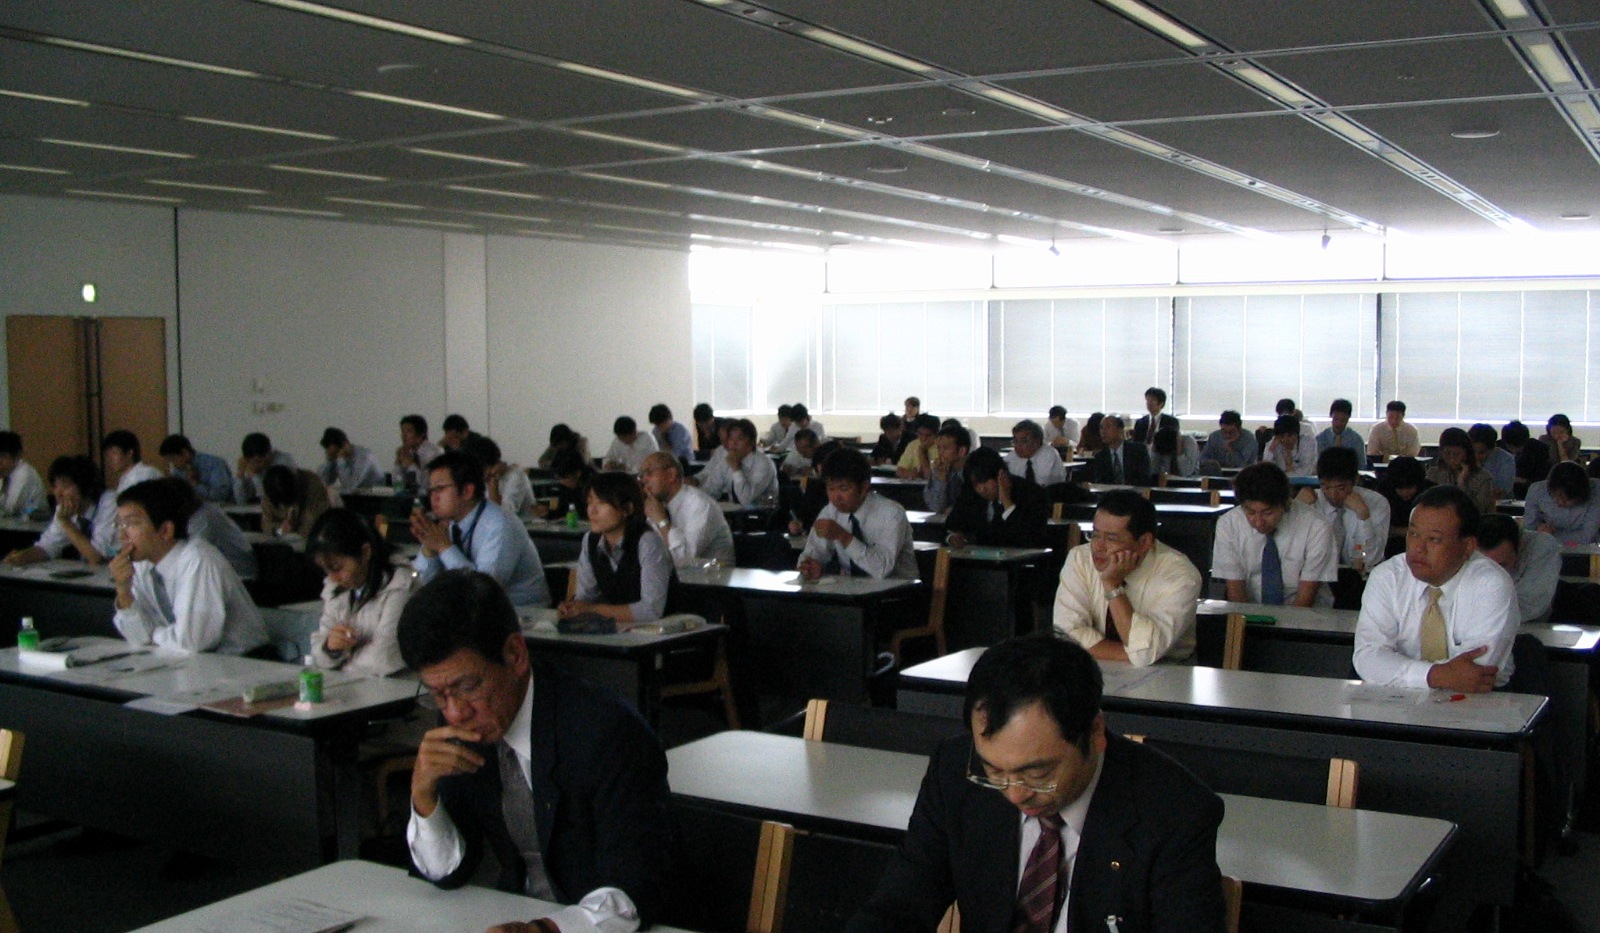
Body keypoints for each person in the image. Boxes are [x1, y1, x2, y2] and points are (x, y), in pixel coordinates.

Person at [843, 633, 1225, 933]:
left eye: (1038, 774)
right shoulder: (955, 774)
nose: (1015, 793)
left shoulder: (1176, 813)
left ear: (1094, 733)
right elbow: (898, 909)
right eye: (993, 770)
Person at [401, 570, 673, 929]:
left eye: (467, 686)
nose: (454, 712)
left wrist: (549, 929)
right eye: (437, 695)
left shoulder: (606, 732)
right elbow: (450, 871)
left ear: (515, 655)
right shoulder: (464, 725)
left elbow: (636, 889)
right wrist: (424, 796)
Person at [1354, 486, 1519, 691]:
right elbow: (1367, 657)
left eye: (1433, 539)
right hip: (1400, 700)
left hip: (1480, 702)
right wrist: (1433, 676)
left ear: (1468, 546)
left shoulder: (1491, 583)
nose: (1418, 548)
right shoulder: (1388, 577)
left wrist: (1400, 671)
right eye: (1413, 534)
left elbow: (1476, 671)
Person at [109, 477, 268, 655]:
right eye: (119, 524)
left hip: (244, 663)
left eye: (131, 523)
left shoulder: (198, 559)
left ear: (165, 531)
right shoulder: (141, 566)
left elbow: (193, 642)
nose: (122, 534)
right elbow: (138, 638)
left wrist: (152, 634)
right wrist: (123, 591)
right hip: (193, 664)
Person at [1053, 489, 1202, 667]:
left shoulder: (1180, 575)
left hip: (1168, 669)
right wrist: (1135, 653)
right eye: (1094, 534)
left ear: (1144, 542)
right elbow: (1066, 634)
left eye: (1112, 538)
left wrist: (1112, 586)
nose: (1098, 546)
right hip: (1091, 663)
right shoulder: (1080, 558)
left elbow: (1146, 654)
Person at [412, 450, 550, 607]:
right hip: (472, 614)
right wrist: (430, 549)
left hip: (521, 617)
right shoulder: (446, 523)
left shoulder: (500, 525)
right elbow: (418, 585)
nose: (433, 497)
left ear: (467, 491)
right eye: (431, 490)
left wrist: (444, 546)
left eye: (440, 489)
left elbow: (482, 591)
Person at [307, 508, 416, 677]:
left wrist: (342, 664)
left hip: (396, 690)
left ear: (365, 552)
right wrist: (330, 649)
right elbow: (318, 648)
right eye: (326, 570)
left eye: (337, 568)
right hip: (356, 685)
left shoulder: (401, 586)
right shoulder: (336, 588)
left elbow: (385, 658)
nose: (333, 578)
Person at [1212, 462, 1339, 607]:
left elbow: (1305, 601)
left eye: (1267, 513)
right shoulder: (1229, 524)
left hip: (1307, 618)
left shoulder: (1316, 527)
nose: (1259, 522)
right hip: (1250, 614)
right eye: (1251, 512)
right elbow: (1236, 594)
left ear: (1285, 503)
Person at [559, 471, 675, 628]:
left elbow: (651, 610)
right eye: (589, 502)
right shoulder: (590, 540)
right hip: (619, 630)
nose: (592, 511)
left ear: (627, 508)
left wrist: (591, 610)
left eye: (601, 503)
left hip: (662, 632)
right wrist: (573, 607)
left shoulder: (647, 542)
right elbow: (586, 597)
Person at [798, 448, 917, 580]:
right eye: (830, 488)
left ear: (864, 487)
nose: (836, 497)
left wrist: (843, 536)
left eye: (843, 488)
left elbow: (882, 570)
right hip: (852, 590)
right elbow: (813, 552)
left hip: (898, 593)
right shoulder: (830, 511)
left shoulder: (892, 514)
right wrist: (811, 565)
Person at [3, 455, 115, 566]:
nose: (58, 493)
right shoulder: (63, 509)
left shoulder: (110, 502)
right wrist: (22, 557)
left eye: (65, 486)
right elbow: (47, 546)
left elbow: (97, 557)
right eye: (55, 487)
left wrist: (67, 523)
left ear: (85, 485)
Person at [1298, 447, 1390, 571]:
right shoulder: (1310, 501)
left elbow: (1369, 560)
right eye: (1325, 487)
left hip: (1360, 580)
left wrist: (1364, 517)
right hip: (1317, 577)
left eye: (1341, 488)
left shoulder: (1376, 503)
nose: (1333, 495)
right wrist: (1295, 510)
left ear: (1356, 479)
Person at [640, 451, 735, 568]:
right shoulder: (657, 505)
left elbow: (684, 559)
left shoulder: (699, 504)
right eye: (642, 474)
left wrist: (662, 521)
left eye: (649, 472)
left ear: (671, 475)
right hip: (679, 578)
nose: (644, 479)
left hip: (713, 579)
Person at [945, 447, 1048, 549]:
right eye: (976, 484)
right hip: (977, 561)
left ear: (1000, 474)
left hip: (1016, 562)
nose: (981, 488)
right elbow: (949, 527)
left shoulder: (1031, 493)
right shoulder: (970, 493)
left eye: (985, 480)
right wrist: (952, 538)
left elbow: (1030, 539)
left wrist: (1007, 503)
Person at [1476, 513, 1560, 624]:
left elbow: (1530, 605)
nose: (1494, 574)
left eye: (1502, 565)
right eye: (1485, 567)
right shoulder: (1463, 551)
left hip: (1531, 627)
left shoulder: (1543, 547)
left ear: (1520, 546)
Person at [176, 480, 259, 581]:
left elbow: (187, 554)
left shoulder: (204, 520)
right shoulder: (203, 513)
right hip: (230, 572)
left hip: (240, 575)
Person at [693, 418, 778, 506]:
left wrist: (736, 469)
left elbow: (746, 500)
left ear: (751, 442)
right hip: (734, 514)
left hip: (762, 514)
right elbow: (710, 489)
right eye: (731, 439)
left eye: (739, 439)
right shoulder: (727, 460)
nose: (733, 444)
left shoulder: (764, 464)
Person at [1522, 461, 1600, 545]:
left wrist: (1548, 535)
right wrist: (1539, 530)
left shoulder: (1596, 490)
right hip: (1546, 548)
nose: (1560, 503)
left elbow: (1587, 536)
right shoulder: (1536, 490)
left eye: (1567, 500)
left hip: (1587, 550)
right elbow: (1529, 530)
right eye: (1555, 496)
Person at [1424, 427, 1498, 514]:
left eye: (1456, 454)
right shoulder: (1434, 473)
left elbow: (1478, 511)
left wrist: (1462, 483)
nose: (1451, 458)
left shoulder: (1483, 477)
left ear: (1467, 453)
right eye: (1447, 453)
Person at [465, 436, 536, 522]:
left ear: (493, 465)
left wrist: (493, 484)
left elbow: (505, 515)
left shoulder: (517, 477)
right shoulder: (484, 479)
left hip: (521, 528)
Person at [157, 434, 234, 504]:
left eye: (173, 459)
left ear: (185, 453)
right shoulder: (178, 471)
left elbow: (220, 496)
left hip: (222, 513)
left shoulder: (214, 464)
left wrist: (194, 483)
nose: (172, 464)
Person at [262, 463, 334, 536]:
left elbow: (316, 521)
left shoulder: (312, 485)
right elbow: (266, 524)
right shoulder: (272, 488)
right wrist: (280, 529)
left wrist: (294, 532)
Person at [1374, 456, 1436, 533]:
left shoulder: (1431, 493)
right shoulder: (1383, 493)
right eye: (1400, 488)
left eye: (1409, 487)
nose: (1405, 492)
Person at [1087, 415, 1152, 486]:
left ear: (1120, 430)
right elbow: (1100, 483)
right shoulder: (1100, 456)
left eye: (1108, 427)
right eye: (1101, 428)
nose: (1103, 431)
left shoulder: (1138, 451)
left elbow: (1144, 478)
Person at [532, 449, 593, 521]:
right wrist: (546, 511)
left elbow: (584, 513)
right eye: (559, 478)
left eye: (565, 478)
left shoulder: (592, 488)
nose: (562, 482)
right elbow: (554, 508)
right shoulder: (560, 488)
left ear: (577, 473)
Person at [234, 432, 295, 504]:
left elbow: (270, 499)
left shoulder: (283, 462)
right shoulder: (248, 464)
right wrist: (240, 476)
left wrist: (254, 476)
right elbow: (241, 501)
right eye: (251, 462)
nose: (255, 465)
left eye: (258, 461)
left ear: (269, 454)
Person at [318, 427, 384, 492]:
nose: (327, 451)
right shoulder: (336, 457)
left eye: (328, 447)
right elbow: (323, 483)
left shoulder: (364, 456)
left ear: (344, 444)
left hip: (377, 496)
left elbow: (350, 485)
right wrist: (329, 461)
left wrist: (341, 459)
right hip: (357, 495)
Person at [1005, 419, 1067, 487]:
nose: (1018, 445)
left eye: (1024, 441)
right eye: (1015, 441)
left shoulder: (1048, 454)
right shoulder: (1010, 457)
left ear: (1036, 442)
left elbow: (1043, 483)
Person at [923, 424, 970, 514]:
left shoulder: (973, 472)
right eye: (939, 448)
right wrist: (941, 478)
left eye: (945, 448)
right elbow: (936, 507)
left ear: (961, 451)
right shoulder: (938, 470)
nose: (940, 453)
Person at [0, 431, 46, 518]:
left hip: (33, 525)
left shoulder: (24, 474)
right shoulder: (5, 473)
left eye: (3, 456)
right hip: (16, 523)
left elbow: (10, 507)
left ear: (17, 456)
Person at [102, 429, 164, 494]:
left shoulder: (145, 474)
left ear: (129, 453)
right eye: (107, 455)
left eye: (114, 453)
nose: (109, 459)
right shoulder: (124, 478)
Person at [395, 414, 444, 489]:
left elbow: (426, 484)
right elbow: (398, 485)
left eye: (408, 431)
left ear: (421, 433)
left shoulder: (435, 452)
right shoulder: (407, 452)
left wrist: (411, 465)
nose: (403, 435)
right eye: (402, 431)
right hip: (410, 496)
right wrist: (398, 463)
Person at [1503, 420, 1550, 500]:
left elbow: (1542, 478)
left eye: (1518, 447)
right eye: (1510, 447)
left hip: (1529, 492)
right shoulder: (1499, 448)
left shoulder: (1539, 450)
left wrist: (1523, 481)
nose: (1514, 450)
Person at [1469, 423, 1517, 500]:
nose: (1476, 456)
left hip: (1500, 505)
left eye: (1482, 452)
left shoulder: (1506, 459)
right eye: (1472, 451)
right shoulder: (1463, 456)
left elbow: (1501, 492)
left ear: (1493, 447)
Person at [1316, 399, 1367, 467]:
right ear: (1331, 416)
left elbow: (1361, 466)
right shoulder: (1320, 439)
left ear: (1348, 418)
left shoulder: (1356, 440)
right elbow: (1316, 465)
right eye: (1336, 419)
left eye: (1343, 420)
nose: (1338, 424)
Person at [895, 413, 940, 480]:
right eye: (920, 434)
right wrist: (910, 474)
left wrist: (922, 451)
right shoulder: (913, 444)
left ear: (936, 434)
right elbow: (899, 470)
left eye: (928, 435)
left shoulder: (941, 447)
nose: (923, 438)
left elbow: (929, 476)